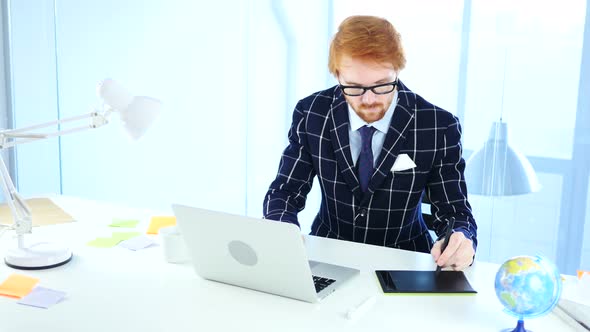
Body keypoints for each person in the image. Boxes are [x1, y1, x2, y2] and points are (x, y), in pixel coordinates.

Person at [263, 15, 477, 271]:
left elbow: (455, 211)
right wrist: (281, 227)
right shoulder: (312, 113)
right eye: (353, 87)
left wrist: (461, 240)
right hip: (328, 255)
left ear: (397, 71)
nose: (368, 100)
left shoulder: (438, 126)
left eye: (381, 85)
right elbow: (285, 191)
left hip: (406, 263)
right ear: (337, 75)